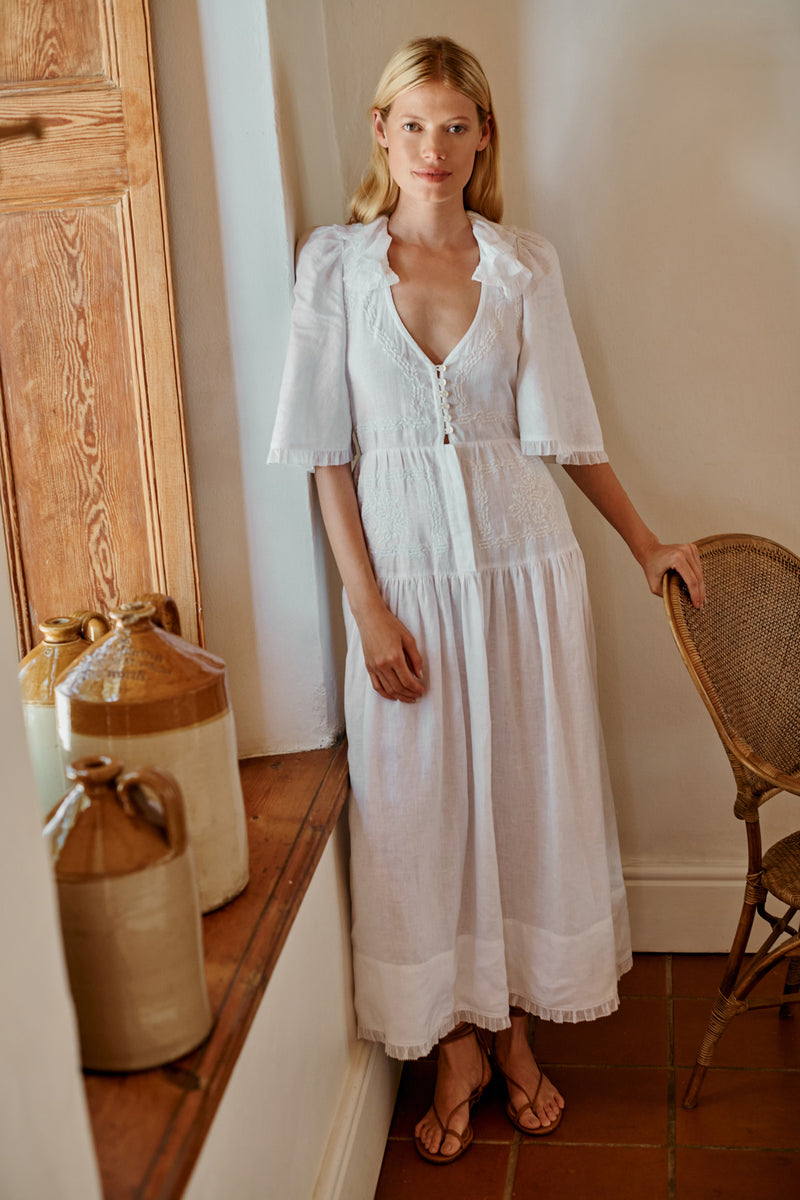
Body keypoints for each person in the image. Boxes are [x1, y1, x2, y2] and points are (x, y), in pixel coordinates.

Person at [269, 35, 705, 1164]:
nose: (435, 146)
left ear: (483, 137)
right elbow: (324, 455)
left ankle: (513, 1035)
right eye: (414, 123)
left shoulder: (522, 266)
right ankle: (453, 1046)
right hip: (406, 589)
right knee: (417, 813)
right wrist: (365, 606)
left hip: (526, 575)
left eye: (456, 125)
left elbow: (565, 433)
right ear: (381, 131)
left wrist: (644, 542)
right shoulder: (333, 266)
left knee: (523, 801)